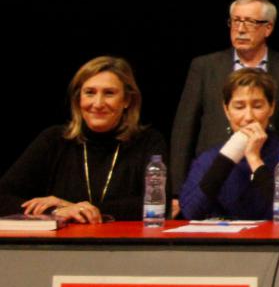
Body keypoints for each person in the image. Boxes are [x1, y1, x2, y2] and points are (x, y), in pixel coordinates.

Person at [170, 0, 279, 214]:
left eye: (250, 22)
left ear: (268, 28)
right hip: (214, 174)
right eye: (236, 21)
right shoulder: (205, 66)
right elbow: (184, 128)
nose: (240, 29)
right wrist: (176, 191)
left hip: (270, 166)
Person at [0, 56, 166, 222]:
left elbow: (157, 205)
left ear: (127, 100)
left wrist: (73, 207)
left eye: (109, 93)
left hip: (127, 245)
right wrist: (56, 210)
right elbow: (3, 197)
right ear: (78, 99)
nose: (98, 103)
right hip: (58, 246)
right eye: (90, 93)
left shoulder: (149, 141)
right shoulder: (53, 140)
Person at [179, 69, 279, 220]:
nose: (249, 117)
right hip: (224, 241)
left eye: (257, 106)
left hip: (274, 241)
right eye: (239, 107)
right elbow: (190, 212)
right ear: (226, 110)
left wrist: (255, 159)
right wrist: (229, 156)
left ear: (272, 108)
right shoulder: (208, 159)